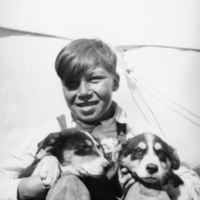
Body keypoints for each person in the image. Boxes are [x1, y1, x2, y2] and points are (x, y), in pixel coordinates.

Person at [0, 38, 199, 200]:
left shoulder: (136, 131)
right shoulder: (55, 130)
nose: (84, 92)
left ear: (115, 82)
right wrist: (24, 188)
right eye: (72, 83)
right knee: (69, 185)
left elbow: (187, 177)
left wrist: (158, 183)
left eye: (95, 79)